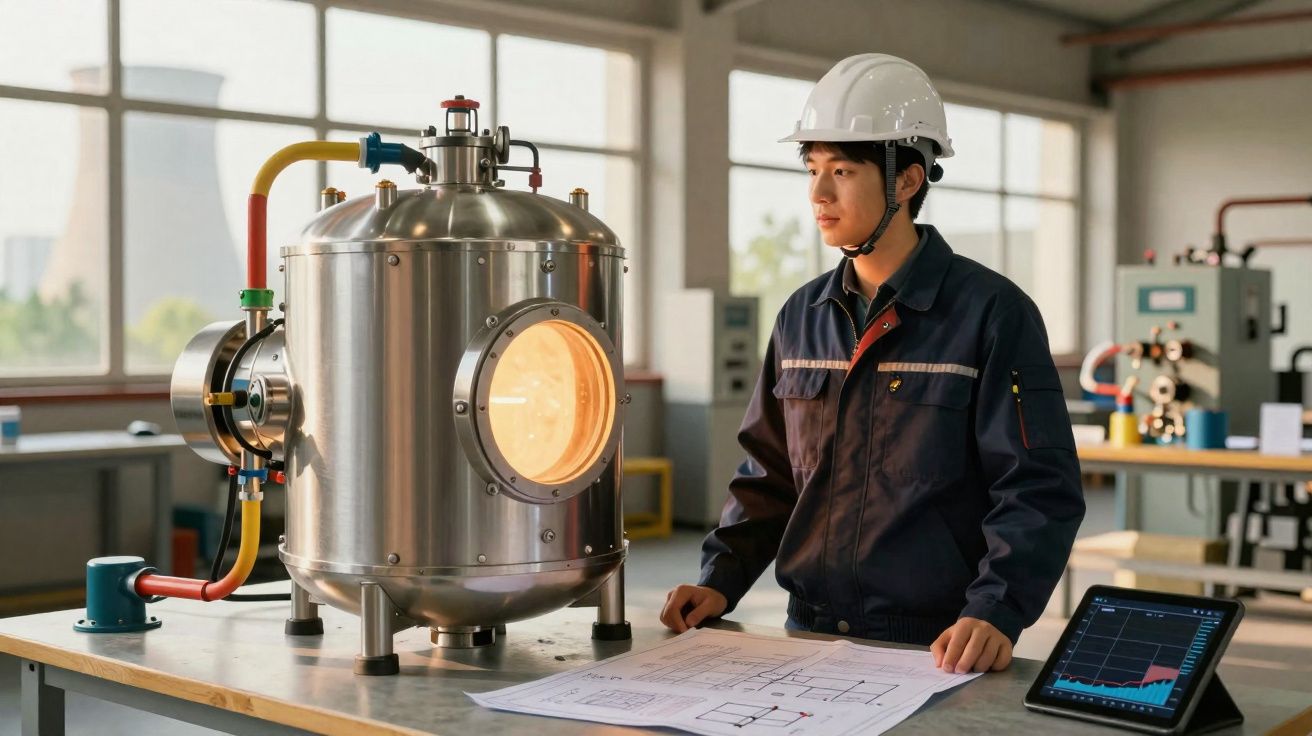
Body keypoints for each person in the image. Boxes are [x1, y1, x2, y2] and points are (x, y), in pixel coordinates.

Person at [660, 53, 1085, 675]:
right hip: (806, 632)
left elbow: (1037, 487)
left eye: (842, 170)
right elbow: (769, 473)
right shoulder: (801, 315)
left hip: (938, 646)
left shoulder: (992, 314)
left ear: (907, 181)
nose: (819, 193)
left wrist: (997, 609)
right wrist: (720, 579)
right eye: (812, 170)